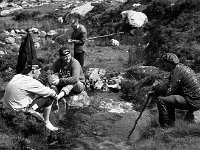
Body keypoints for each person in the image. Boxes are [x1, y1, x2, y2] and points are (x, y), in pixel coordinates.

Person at [3, 60, 59, 131]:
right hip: (20, 111)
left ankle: (34, 111)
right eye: (39, 70)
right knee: (49, 97)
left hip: (7, 109)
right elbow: (51, 93)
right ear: (33, 71)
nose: (39, 73)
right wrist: (56, 101)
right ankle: (47, 122)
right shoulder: (31, 82)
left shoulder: (16, 76)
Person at [151, 53, 200, 128]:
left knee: (161, 100)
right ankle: (171, 125)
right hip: (195, 99)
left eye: (164, 63)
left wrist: (157, 87)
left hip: (192, 101)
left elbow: (168, 91)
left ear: (168, 63)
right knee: (170, 100)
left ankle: (164, 126)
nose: (164, 66)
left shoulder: (176, 71)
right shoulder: (182, 68)